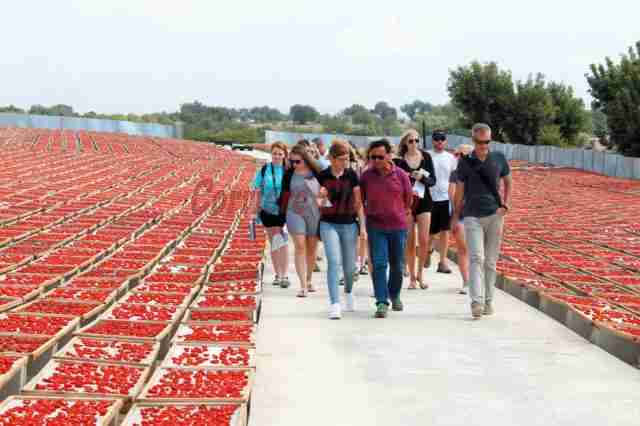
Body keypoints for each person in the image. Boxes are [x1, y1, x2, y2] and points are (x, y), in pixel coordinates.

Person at [452, 123, 512, 319]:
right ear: (473, 140)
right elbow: (459, 191)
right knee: (477, 258)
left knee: (491, 262)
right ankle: (476, 301)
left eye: (487, 142)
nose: (483, 146)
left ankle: (488, 301)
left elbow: (508, 181)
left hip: (495, 215)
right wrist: (455, 217)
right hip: (472, 215)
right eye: (479, 142)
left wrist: (506, 205)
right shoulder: (465, 162)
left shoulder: (498, 158)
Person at [361, 139, 413, 318]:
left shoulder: (401, 175)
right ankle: (382, 301)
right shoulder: (366, 176)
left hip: (398, 226)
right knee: (380, 264)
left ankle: (395, 294)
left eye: (379, 157)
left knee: (397, 265)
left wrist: (399, 212)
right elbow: (361, 199)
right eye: (372, 157)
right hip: (376, 226)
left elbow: (408, 200)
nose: (375, 160)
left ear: (389, 156)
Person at [317, 140, 366, 319]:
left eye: (347, 159)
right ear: (331, 158)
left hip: (349, 224)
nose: (344, 162)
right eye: (341, 159)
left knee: (348, 267)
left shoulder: (352, 175)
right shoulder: (322, 176)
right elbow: (318, 204)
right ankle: (335, 303)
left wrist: (363, 227)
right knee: (334, 261)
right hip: (328, 223)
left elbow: (359, 203)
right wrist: (321, 197)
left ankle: (349, 291)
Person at [393, 130, 436, 290]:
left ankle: (420, 275)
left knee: (424, 240)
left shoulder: (426, 157)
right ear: (405, 142)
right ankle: (411, 277)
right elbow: (394, 182)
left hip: (425, 201)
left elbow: (433, 181)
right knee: (410, 241)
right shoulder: (398, 161)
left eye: (416, 140)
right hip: (406, 203)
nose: (414, 144)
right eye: (410, 141)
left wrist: (422, 178)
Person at [279, 144, 322, 297]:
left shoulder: (317, 171)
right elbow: (284, 195)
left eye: (297, 161)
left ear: (305, 159)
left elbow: (326, 192)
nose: (294, 164)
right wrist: (281, 216)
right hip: (294, 212)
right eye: (292, 161)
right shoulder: (289, 174)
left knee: (311, 249)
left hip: (314, 213)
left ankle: (309, 280)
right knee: (300, 246)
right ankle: (302, 285)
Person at [252, 142, 290, 288]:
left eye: (280, 154)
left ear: (285, 155)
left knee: (282, 240)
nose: (277, 156)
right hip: (267, 210)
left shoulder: (289, 170)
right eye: (275, 153)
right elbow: (257, 191)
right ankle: (277, 274)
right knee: (274, 241)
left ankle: (285, 274)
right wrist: (254, 211)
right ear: (271, 154)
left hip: (284, 211)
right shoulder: (264, 170)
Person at [427, 130, 458, 274]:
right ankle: (427, 252)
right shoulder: (426, 156)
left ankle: (442, 261)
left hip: (445, 198)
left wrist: (455, 198)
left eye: (442, 139)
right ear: (432, 140)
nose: (439, 141)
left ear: (446, 141)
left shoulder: (451, 158)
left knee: (445, 231)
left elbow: (455, 180)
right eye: (437, 139)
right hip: (430, 198)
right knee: (431, 231)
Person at [449, 144, 473, 294]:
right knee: (463, 249)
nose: (457, 157)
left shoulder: (479, 171)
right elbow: (451, 194)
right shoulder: (455, 173)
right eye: (456, 154)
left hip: (477, 215)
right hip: (462, 215)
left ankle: (474, 280)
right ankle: (466, 281)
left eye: (461, 154)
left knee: (476, 251)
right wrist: (455, 216)